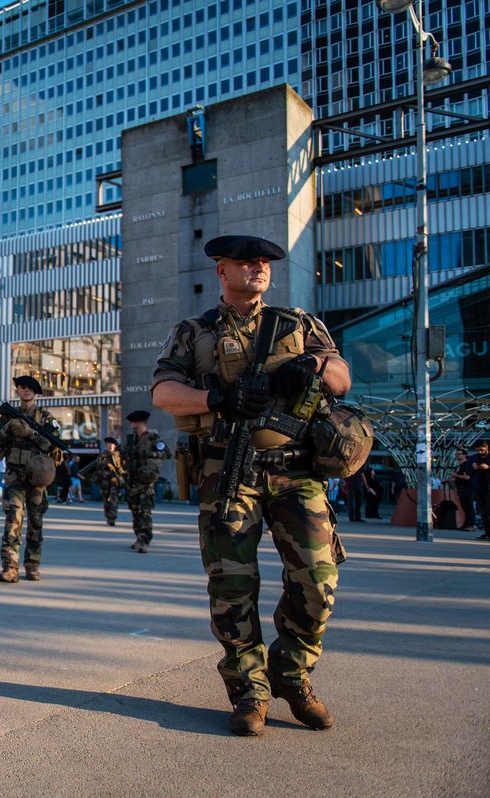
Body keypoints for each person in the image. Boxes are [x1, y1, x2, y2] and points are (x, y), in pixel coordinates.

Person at [152, 233, 353, 736]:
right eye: (246, 263)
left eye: (263, 263)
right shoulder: (193, 331)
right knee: (232, 587)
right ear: (222, 271)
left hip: (296, 469)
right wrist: (217, 398)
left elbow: (343, 377)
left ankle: (291, 673)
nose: (258, 269)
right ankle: (248, 691)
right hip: (227, 470)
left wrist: (313, 366)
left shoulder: (299, 324)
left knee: (318, 578)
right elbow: (163, 393)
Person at [0, 375, 60, 583]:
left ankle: (32, 565)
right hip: (15, 475)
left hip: (37, 476)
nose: (25, 390)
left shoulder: (46, 418)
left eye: (29, 388)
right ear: (18, 391)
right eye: (21, 387)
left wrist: (31, 434)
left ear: (36, 392)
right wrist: (8, 428)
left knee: (35, 521)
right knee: (13, 518)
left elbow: (53, 445)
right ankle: (10, 567)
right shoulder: (9, 417)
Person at [121, 410, 171, 552]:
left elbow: (167, 453)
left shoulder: (153, 437)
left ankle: (145, 541)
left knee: (145, 512)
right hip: (132, 480)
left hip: (147, 480)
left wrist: (149, 454)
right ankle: (138, 537)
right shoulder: (130, 439)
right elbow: (122, 453)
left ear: (139, 422)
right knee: (135, 511)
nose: (130, 423)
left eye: (132, 421)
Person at [85, 437, 125, 527]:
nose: (110, 446)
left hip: (114, 481)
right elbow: (98, 467)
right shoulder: (102, 455)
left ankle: (112, 518)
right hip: (104, 481)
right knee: (106, 500)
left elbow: (122, 467)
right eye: (108, 444)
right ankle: (108, 516)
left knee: (113, 499)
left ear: (115, 446)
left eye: (112, 444)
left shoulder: (118, 455)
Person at [471, 439, 490, 539]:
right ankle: (487, 533)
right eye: (478, 450)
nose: (480, 452)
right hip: (479, 488)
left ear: (487, 448)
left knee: (488, 510)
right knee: (483, 512)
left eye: (482, 450)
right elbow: (468, 471)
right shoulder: (474, 458)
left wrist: (488, 467)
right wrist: (473, 467)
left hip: (488, 487)